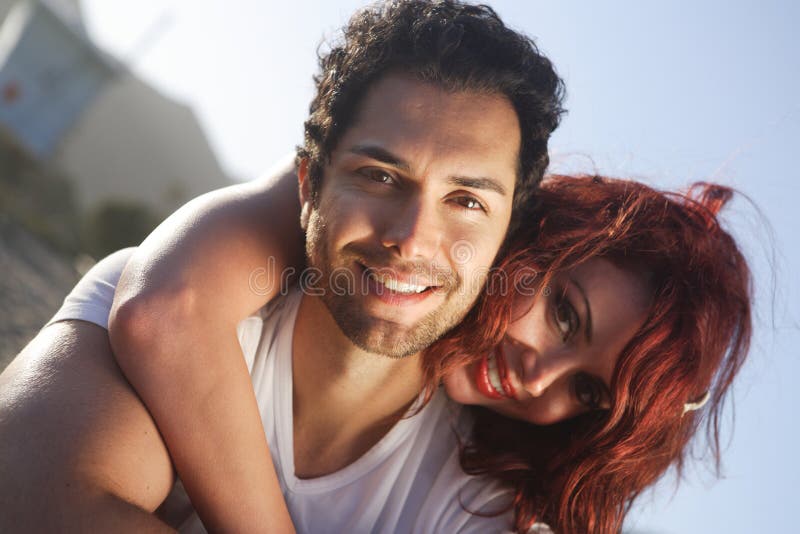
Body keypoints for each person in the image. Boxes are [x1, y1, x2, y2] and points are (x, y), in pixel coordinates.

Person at [0, 1, 564, 532]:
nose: (411, 239)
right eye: (380, 176)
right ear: (307, 185)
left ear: (504, 239)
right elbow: (36, 500)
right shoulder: (153, 298)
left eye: (467, 201)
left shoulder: (475, 501)